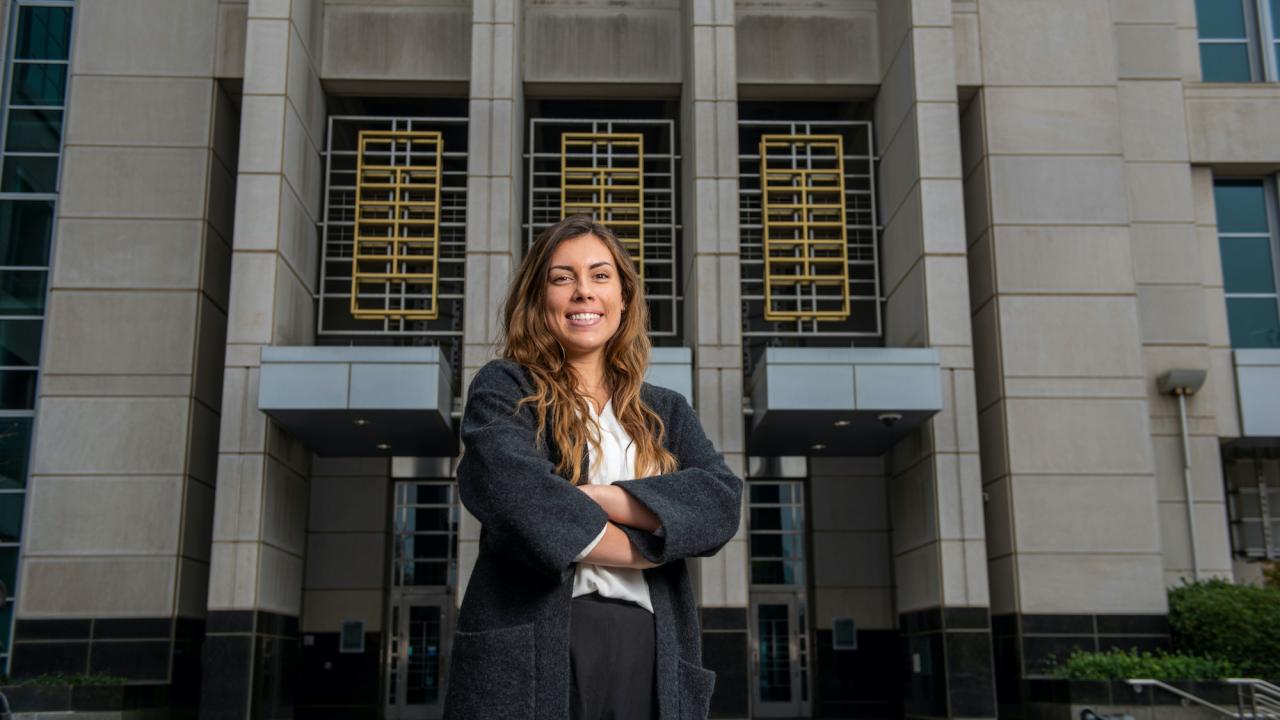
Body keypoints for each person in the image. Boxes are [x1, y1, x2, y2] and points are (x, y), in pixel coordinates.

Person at [441, 215, 744, 720]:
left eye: (600, 276)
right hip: (540, 647)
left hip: (652, 647)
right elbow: (518, 501)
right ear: (541, 298)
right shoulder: (506, 388)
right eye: (563, 278)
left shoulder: (665, 410)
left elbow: (720, 503)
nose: (583, 292)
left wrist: (602, 497)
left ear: (623, 297)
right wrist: (650, 548)